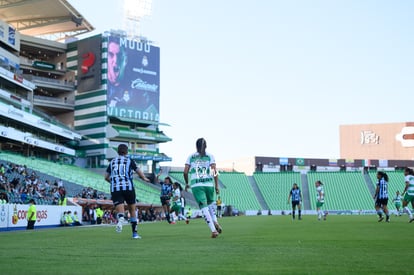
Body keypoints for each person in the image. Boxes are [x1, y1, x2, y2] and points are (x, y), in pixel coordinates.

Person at [105, 144, 150, 239]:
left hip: (115, 188)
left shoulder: (112, 161)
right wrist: (144, 178)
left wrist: (113, 182)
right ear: (126, 152)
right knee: (132, 210)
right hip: (128, 187)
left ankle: (121, 218)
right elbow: (138, 170)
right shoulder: (129, 160)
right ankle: (135, 234)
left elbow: (106, 177)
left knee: (120, 210)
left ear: (118, 151)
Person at [184, 138, 222, 238]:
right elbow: (214, 171)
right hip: (209, 184)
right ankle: (215, 221)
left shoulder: (191, 157)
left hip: (197, 184)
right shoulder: (210, 156)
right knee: (210, 205)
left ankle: (214, 231)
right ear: (206, 146)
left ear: (196, 146)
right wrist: (217, 185)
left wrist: (187, 183)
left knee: (204, 208)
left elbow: (185, 172)